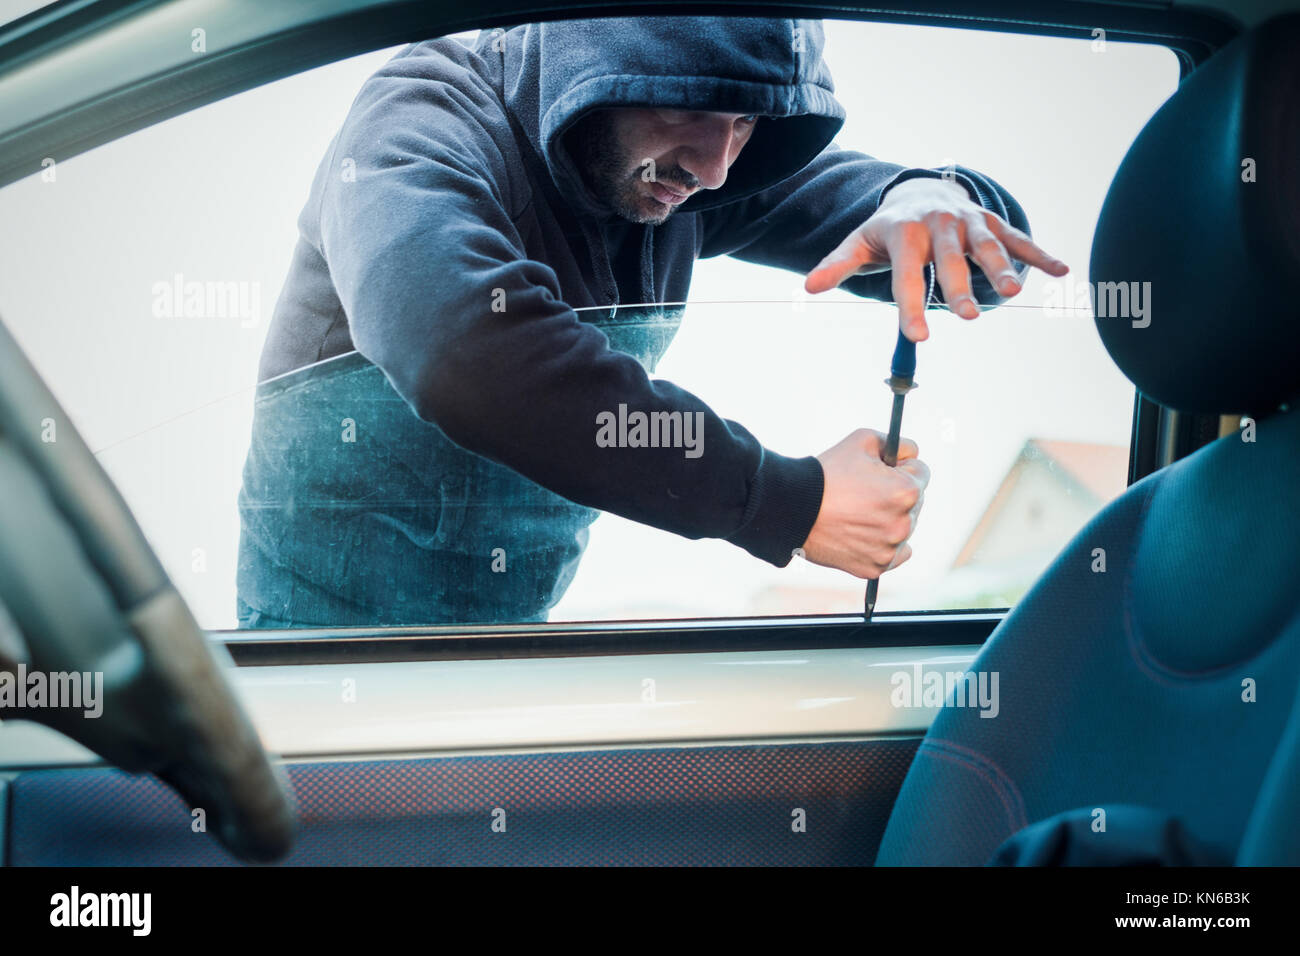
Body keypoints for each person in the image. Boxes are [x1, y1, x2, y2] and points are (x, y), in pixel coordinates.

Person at [236, 16, 1068, 628]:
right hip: (316, 662)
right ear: (593, 56)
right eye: (695, 108)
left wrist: (933, 199)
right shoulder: (419, 123)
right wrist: (789, 501)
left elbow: (884, 213)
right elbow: (465, 350)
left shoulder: (678, 178)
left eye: (745, 124)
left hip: (503, 644)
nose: (716, 167)